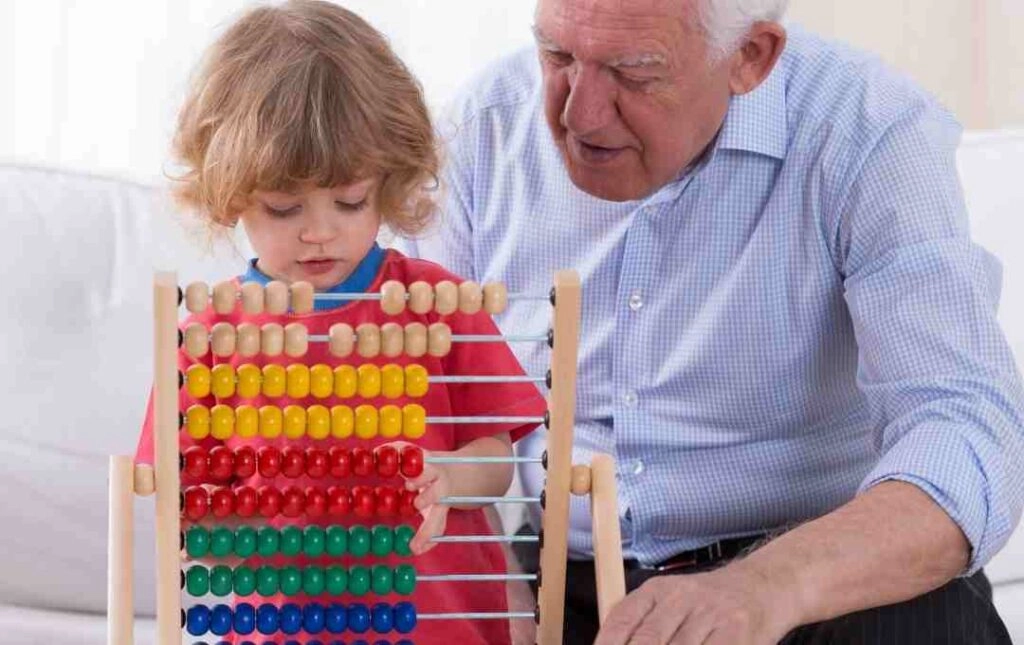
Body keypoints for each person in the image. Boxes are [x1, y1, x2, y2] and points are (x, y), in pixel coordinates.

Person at [405, 0, 1024, 642]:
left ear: (750, 58)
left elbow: (968, 433)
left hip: (821, 584)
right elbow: (431, 415)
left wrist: (766, 588)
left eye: (635, 74)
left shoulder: (868, 129)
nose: (577, 113)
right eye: (558, 56)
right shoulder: (484, 129)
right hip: (566, 585)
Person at [133, 2, 546, 643]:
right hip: (283, 627)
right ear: (231, 193)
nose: (320, 232)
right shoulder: (211, 334)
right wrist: (239, 540)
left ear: (389, 179)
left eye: (351, 201)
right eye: (283, 207)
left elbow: (496, 461)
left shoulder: (438, 304)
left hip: (437, 627)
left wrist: (447, 476)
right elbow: (183, 503)